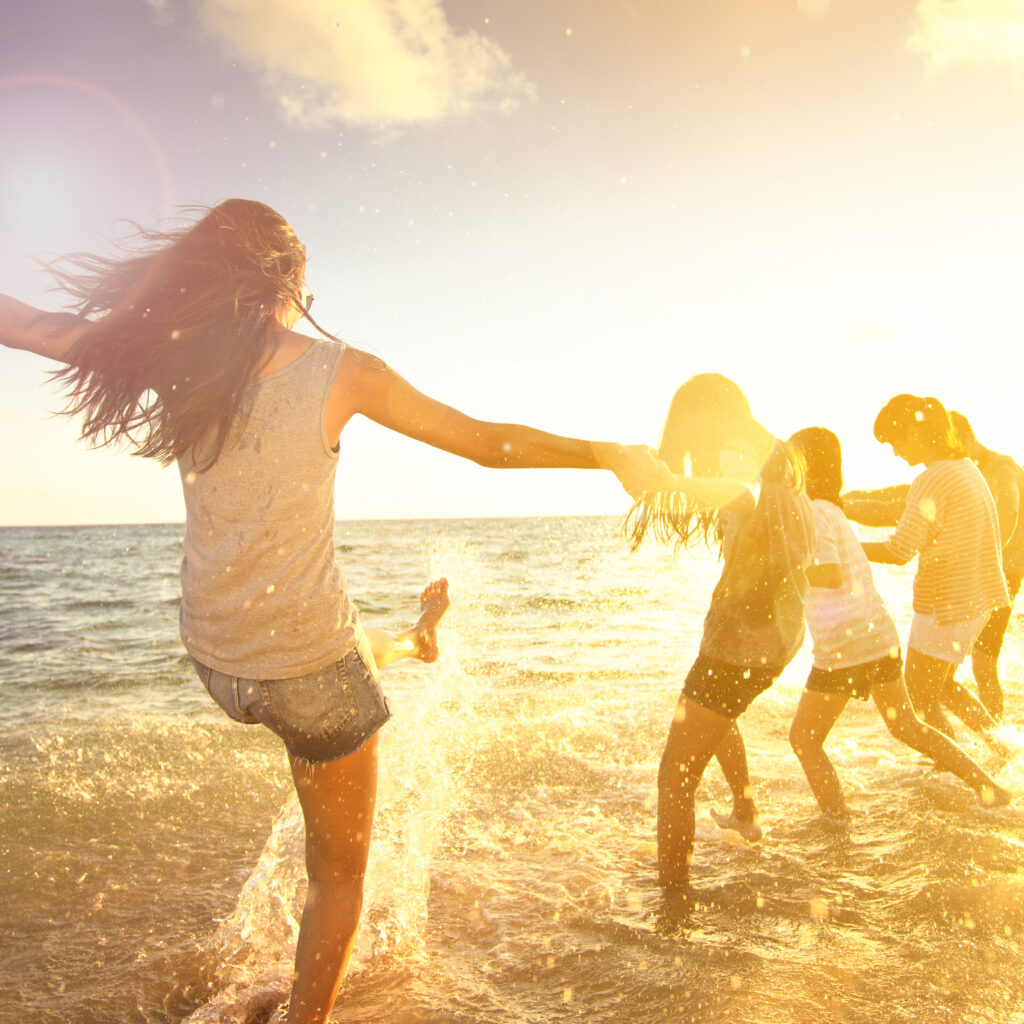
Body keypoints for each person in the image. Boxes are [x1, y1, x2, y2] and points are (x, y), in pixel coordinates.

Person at [0, 199, 654, 1024]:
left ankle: (417, 642)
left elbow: (25, 322)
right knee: (338, 876)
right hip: (309, 677)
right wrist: (604, 454)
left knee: (346, 649)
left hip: (218, 663)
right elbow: (489, 445)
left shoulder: (174, 358)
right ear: (288, 279)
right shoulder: (343, 369)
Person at [624, 373, 815, 892]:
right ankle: (746, 811)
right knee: (713, 715)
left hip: (743, 642)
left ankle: (674, 904)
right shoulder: (776, 453)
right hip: (775, 638)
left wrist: (670, 483)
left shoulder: (736, 450)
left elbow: (741, 493)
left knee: (675, 776)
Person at [786, 427, 1009, 816]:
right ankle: (989, 788)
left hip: (846, 645)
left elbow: (831, 574)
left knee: (804, 738)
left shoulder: (816, 513)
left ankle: (836, 822)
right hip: (876, 635)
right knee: (908, 726)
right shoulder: (832, 510)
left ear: (803, 466)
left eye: (790, 462)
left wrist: (782, 571)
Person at [863, 394, 1008, 750]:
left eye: (895, 441)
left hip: (948, 607)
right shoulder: (965, 468)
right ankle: (1006, 748)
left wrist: (845, 548)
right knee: (942, 686)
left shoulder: (932, 480)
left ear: (914, 431)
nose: (895, 452)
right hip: (978, 601)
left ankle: (958, 770)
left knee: (918, 701)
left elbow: (899, 551)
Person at [949, 410, 1024, 720]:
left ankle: (997, 736)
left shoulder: (1001, 468)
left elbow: (1008, 512)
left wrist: (984, 558)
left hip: (1003, 572)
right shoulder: (976, 470)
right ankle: (995, 733)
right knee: (973, 662)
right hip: (993, 573)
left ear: (964, 438)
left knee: (981, 661)